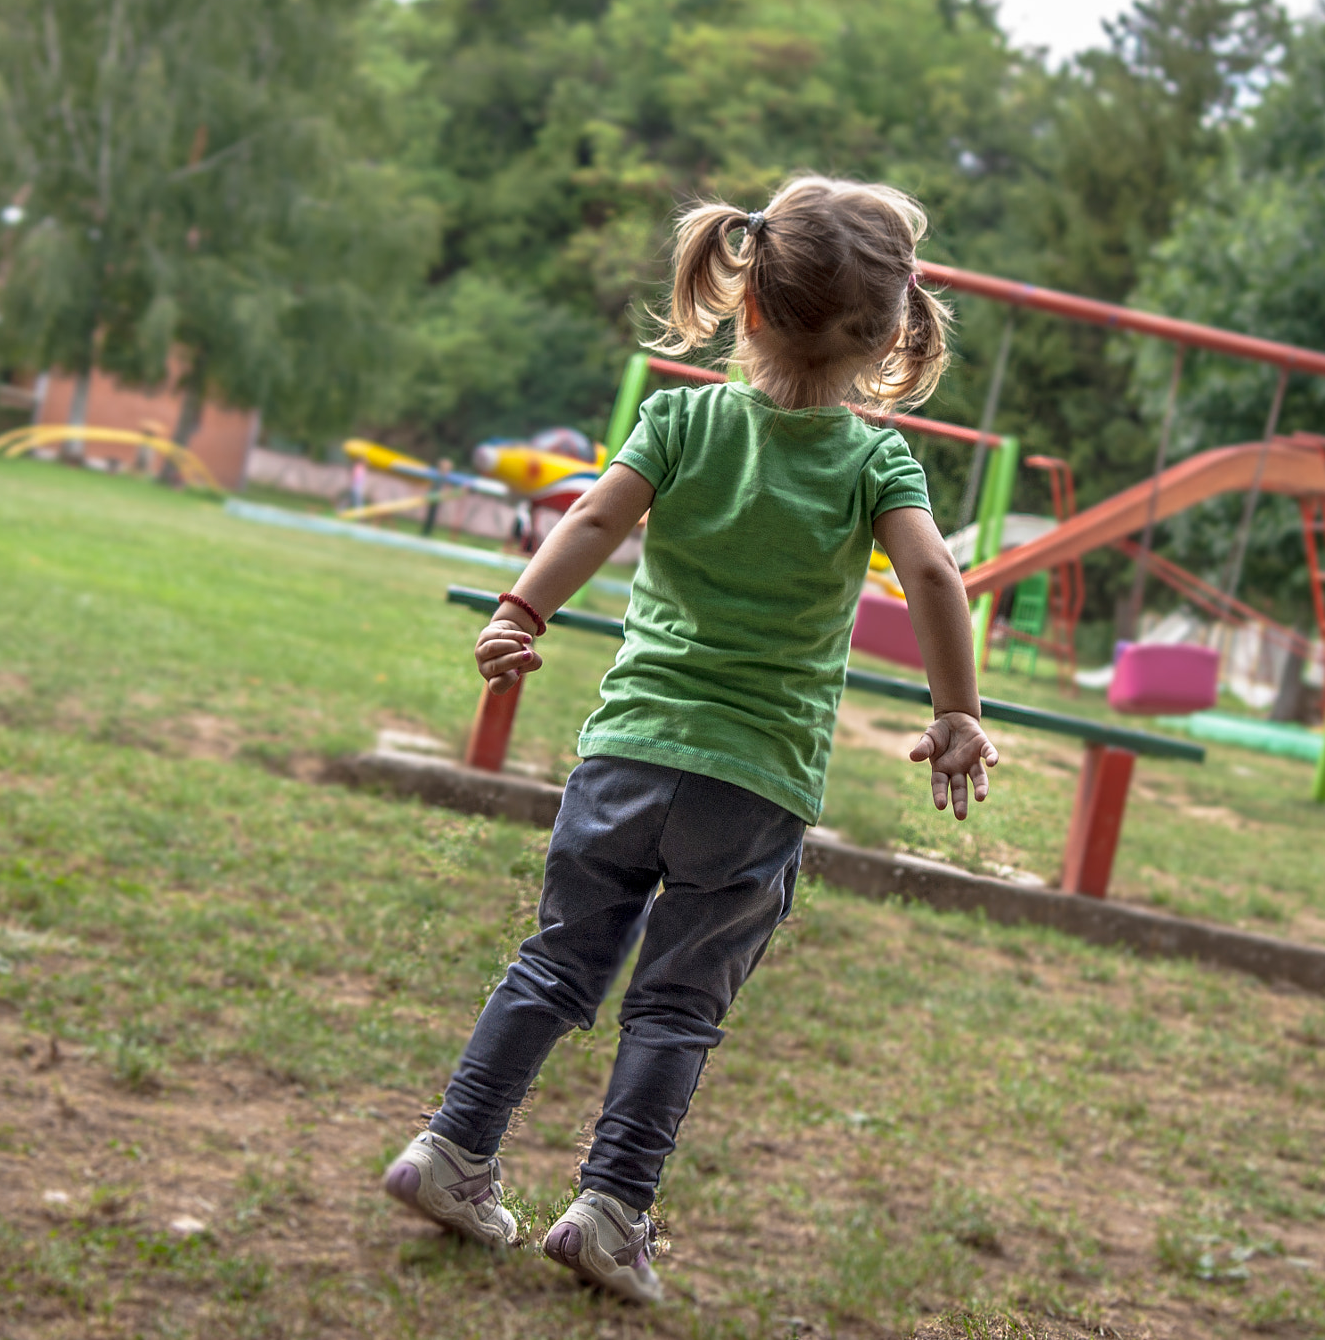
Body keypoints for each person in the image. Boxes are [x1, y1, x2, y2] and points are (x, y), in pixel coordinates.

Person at [382, 176, 1000, 1303]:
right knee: (674, 1005)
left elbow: (591, 516)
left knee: (555, 962)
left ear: (746, 300)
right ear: (883, 341)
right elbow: (929, 572)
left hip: (625, 752)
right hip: (752, 783)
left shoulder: (676, 419)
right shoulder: (875, 461)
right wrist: (954, 708)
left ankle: (452, 1149)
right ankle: (611, 1209)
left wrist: (520, 613)